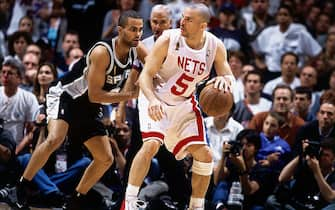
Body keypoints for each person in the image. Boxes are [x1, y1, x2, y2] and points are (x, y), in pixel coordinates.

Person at [16, 10, 147, 209]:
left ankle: (75, 199)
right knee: (55, 138)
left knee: (105, 158)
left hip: (89, 107)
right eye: (132, 29)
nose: (138, 34)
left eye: (140, 29)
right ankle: (21, 186)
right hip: (66, 96)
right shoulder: (102, 52)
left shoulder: (137, 49)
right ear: (120, 30)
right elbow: (96, 94)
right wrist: (130, 95)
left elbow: (155, 65)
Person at [124, 3, 235, 210]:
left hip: (183, 102)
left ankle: (196, 206)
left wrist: (225, 81)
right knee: (151, 145)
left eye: (188, 19)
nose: (182, 22)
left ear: (203, 25)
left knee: (205, 155)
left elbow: (228, 74)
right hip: (154, 97)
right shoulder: (169, 39)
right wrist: (153, 100)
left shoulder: (214, 45)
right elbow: (145, 76)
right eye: (182, 17)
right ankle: (129, 202)